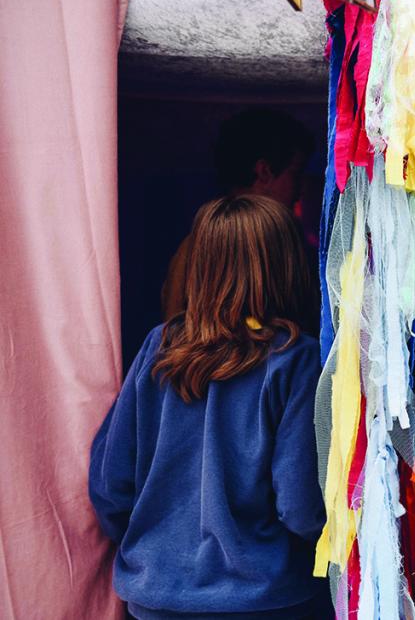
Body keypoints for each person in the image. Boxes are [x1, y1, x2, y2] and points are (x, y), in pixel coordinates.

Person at [90, 195, 331, 619]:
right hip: (266, 602)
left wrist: (158, 549)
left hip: (154, 599)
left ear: (200, 266)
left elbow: (111, 487)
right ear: (289, 264)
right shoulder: (295, 358)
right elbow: (299, 508)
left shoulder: (158, 347)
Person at [161, 108, 314, 320]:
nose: (300, 188)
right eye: (295, 174)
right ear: (264, 172)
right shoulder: (199, 245)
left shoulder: (196, 243)